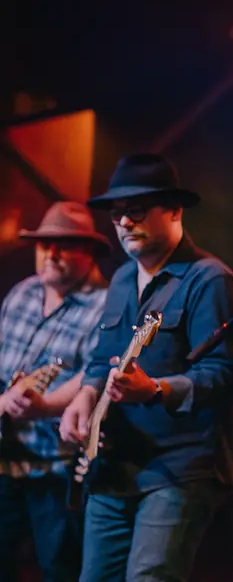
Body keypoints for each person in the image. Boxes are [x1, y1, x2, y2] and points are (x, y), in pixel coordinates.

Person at [59, 154, 233, 581]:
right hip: (114, 467)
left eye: (136, 211)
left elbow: (225, 374)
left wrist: (156, 389)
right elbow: (101, 359)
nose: (123, 222)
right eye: (117, 214)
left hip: (178, 470)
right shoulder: (122, 279)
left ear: (175, 211)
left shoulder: (209, 280)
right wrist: (83, 400)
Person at [0, 202, 109, 582]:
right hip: (4, 460)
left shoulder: (105, 307)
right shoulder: (22, 294)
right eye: (45, 244)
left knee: (59, 570)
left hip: (56, 468)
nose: (52, 254)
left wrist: (43, 405)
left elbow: (95, 374)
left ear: (91, 252)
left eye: (65, 245)